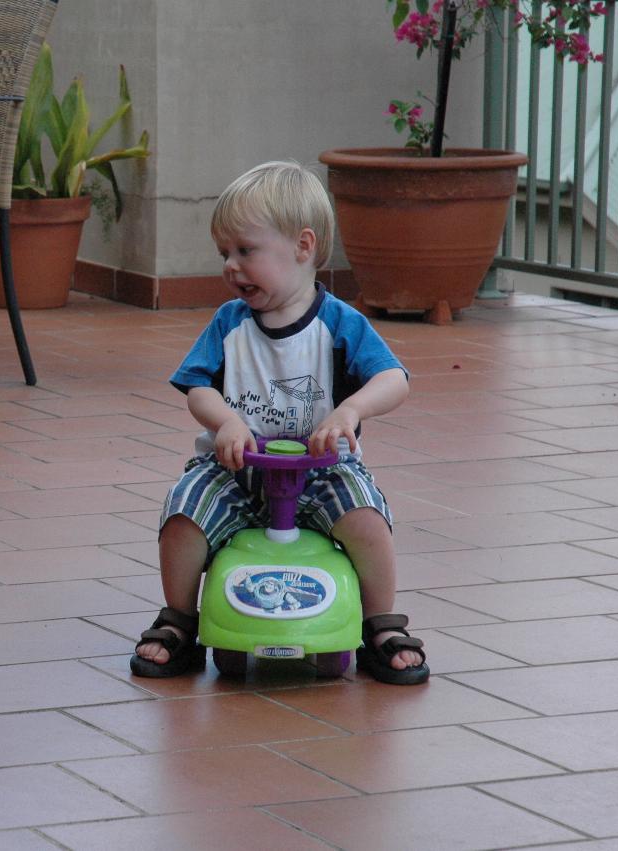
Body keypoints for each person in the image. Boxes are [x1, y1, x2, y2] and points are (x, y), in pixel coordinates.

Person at [129, 160, 428, 685]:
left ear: (302, 246)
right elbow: (197, 386)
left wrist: (350, 410)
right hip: (235, 469)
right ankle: (179, 619)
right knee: (182, 514)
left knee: (367, 520)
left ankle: (381, 624)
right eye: (224, 253)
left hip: (322, 469)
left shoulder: (340, 323)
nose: (231, 266)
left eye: (246, 251)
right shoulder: (230, 323)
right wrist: (226, 421)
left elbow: (394, 379)